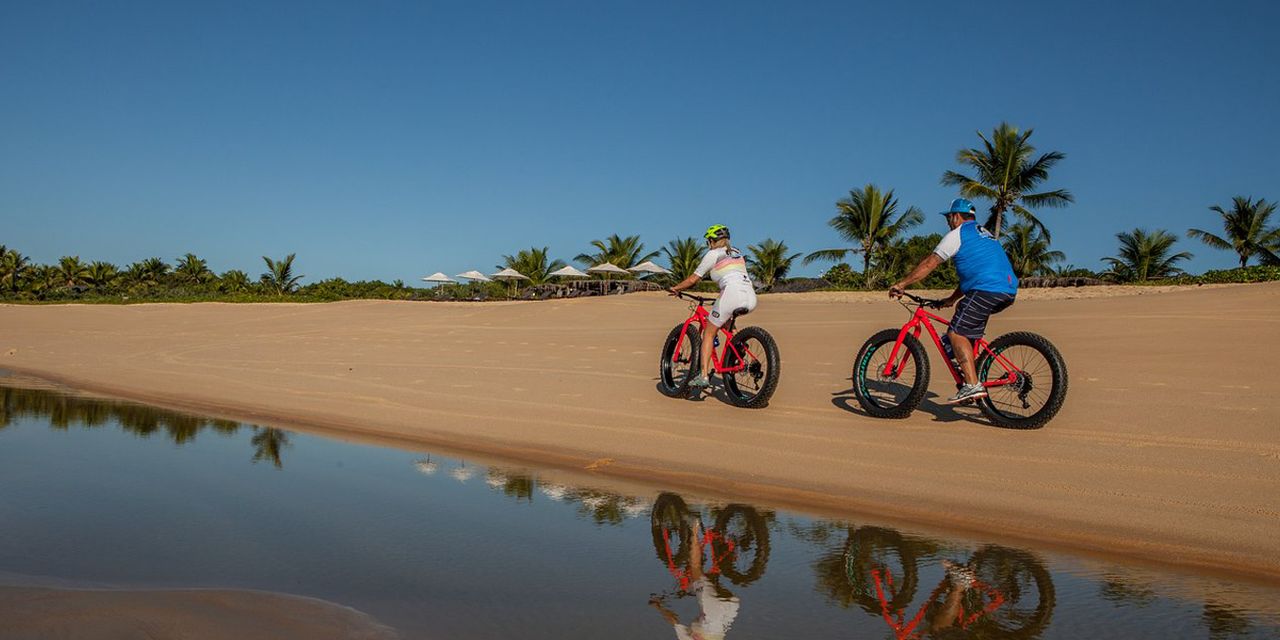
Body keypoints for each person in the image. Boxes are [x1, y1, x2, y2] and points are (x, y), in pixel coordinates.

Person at [889, 198, 1018, 405]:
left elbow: (930, 263)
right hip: (1007, 289)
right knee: (965, 322)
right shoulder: (985, 235)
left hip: (987, 289)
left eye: (949, 218)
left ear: (956, 216)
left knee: (956, 332)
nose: (948, 222)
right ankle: (969, 375)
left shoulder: (957, 235)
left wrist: (902, 284)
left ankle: (972, 385)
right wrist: (951, 299)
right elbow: (972, 275)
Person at [668, 225, 758, 390]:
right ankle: (744, 354)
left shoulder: (713, 254)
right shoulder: (736, 252)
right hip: (750, 296)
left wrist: (676, 288)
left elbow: (693, 279)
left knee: (709, 333)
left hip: (731, 294)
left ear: (711, 241)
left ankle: (703, 376)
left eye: (708, 241)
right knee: (728, 325)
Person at [649, 518, 742, 640]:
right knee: (695, 567)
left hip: (731, 607)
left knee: (710, 583)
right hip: (711, 613)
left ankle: (730, 548)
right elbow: (673, 619)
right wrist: (658, 606)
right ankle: (694, 531)